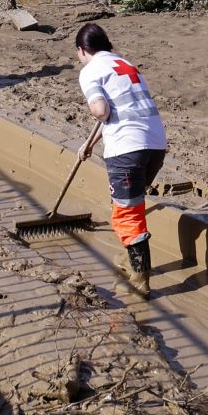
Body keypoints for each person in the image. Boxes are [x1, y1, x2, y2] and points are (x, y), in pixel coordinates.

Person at [74, 23, 168, 298]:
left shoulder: (90, 71)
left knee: (127, 214)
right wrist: (90, 144)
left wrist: (95, 108)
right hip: (155, 145)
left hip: (127, 151)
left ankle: (140, 280)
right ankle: (130, 260)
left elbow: (102, 111)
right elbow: (122, 112)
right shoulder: (125, 65)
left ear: (82, 50)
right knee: (128, 206)